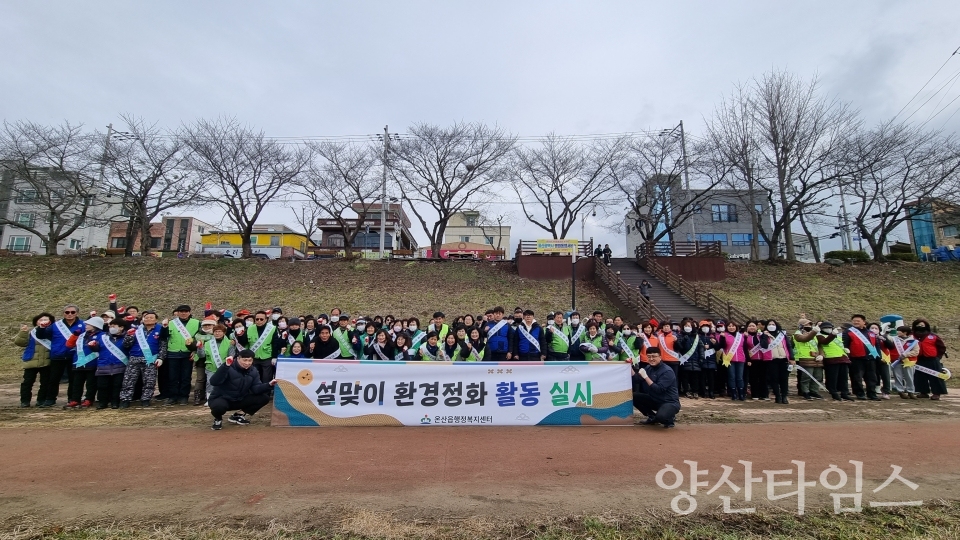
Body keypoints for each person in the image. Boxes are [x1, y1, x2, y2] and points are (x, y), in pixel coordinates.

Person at [208, 350, 275, 430]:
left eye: (250, 360)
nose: (247, 363)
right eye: (245, 360)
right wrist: (225, 366)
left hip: (239, 399)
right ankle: (218, 419)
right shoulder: (227, 367)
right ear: (238, 359)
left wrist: (269, 385)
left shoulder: (253, 371)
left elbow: (256, 389)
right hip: (222, 399)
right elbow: (214, 382)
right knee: (218, 407)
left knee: (264, 398)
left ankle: (238, 415)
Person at [120, 310, 164, 408]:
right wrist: (129, 336)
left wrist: (161, 357)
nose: (148, 319)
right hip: (134, 358)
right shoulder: (136, 329)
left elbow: (163, 345)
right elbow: (126, 345)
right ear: (143, 319)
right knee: (128, 380)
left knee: (149, 381)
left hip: (150, 359)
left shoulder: (160, 329)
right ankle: (125, 399)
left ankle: (146, 399)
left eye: (151, 317)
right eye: (146, 317)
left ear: (156, 319)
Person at [45, 304, 85, 407]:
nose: (70, 314)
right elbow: (43, 335)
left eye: (72, 312)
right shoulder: (55, 325)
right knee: (53, 379)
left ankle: (72, 398)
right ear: (63, 313)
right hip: (58, 355)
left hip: (74, 356)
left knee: (73, 379)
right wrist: (41, 327)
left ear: (77, 313)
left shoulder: (83, 325)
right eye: (67, 312)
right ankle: (50, 399)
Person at [160, 304, 200, 406]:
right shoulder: (171, 323)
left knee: (186, 376)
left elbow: (199, 338)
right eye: (181, 311)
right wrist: (164, 327)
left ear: (189, 312)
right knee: (173, 377)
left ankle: (184, 396)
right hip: (173, 352)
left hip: (188, 353)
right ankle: (173, 396)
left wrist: (194, 350)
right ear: (177, 313)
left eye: (186, 311)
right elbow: (163, 336)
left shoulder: (196, 323)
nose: (183, 313)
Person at [632, 348, 680, 428]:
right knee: (633, 396)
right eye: (649, 357)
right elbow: (637, 380)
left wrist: (646, 376)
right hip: (654, 399)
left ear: (660, 357)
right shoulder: (648, 368)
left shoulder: (667, 371)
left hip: (669, 402)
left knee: (661, 417)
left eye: (654, 356)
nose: (651, 359)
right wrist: (629, 366)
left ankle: (669, 418)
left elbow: (659, 389)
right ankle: (652, 416)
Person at [14, 312, 55, 408]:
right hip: (31, 361)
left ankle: (41, 400)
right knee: (27, 382)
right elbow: (20, 343)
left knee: (45, 382)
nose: (43, 321)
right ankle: (25, 401)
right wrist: (23, 332)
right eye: (41, 320)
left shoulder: (53, 332)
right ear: (36, 322)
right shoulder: (31, 333)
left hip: (47, 361)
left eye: (46, 320)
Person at [65, 316, 104, 409]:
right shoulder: (81, 335)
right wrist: (74, 335)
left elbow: (101, 348)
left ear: (95, 325)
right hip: (79, 363)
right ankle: (75, 399)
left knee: (91, 383)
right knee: (77, 383)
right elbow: (69, 345)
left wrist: (94, 346)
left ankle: (89, 399)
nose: (85, 325)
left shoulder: (102, 335)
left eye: (88, 324)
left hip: (92, 363)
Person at [843, 314, 882, 401]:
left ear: (864, 322)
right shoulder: (848, 332)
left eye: (858, 321)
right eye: (854, 321)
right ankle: (859, 393)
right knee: (857, 377)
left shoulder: (871, 333)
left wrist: (879, 356)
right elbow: (845, 345)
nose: (856, 322)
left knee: (872, 377)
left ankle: (871, 393)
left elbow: (877, 346)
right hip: (856, 358)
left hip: (871, 358)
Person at [94, 318, 130, 409]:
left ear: (121, 327)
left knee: (117, 385)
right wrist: (93, 346)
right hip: (104, 364)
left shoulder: (127, 337)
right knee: (102, 385)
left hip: (119, 365)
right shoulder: (103, 337)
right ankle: (103, 402)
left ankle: (115, 402)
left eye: (114, 326)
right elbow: (97, 349)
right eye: (110, 326)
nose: (111, 328)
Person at [911, 318, 948, 400]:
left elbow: (941, 347)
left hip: (932, 359)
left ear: (926, 326)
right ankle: (923, 392)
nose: (920, 326)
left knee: (935, 376)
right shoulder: (911, 336)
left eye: (922, 325)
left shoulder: (933, 336)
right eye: (918, 325)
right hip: (918, 359)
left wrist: (938, 357)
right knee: (919, 377)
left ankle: (936, 393)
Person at [817, 321, 854, 401]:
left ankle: (844, 393)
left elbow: (841, 345)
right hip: (831, 359)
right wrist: (832, 334)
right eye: (826, 328)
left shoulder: (838, 336)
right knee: (832, 378)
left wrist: (845, 350)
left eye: (830, 328)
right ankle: (834, 393)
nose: (828, 329)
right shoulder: (820, 336)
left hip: (842, 358)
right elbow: (825, 342)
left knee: (843, 378)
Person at [199, 323, 235, 399]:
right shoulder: (208, 343)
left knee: (226, 383)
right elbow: (201, 355)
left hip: (224, 367)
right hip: (210, 367)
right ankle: (209, 399)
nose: (217, 333)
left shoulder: (229, 343)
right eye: (215, 331)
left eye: (219, 331)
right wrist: (199, 348)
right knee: (210, 382)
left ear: (224, 332)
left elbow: (231, 354)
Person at [793, 318, 824, 400]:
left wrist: (821, 355)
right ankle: (805, 391)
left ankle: (814, 391)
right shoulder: (797, 333)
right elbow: (805, 339)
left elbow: (819, 345)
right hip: (805, 358)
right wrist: (814, 332)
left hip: (816, 358)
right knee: (807, 376)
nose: (809, 326)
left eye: (810, 325)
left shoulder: (814, 335)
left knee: (817, 376)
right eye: (806, 325)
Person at [764, 319, 793, 404]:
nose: (771, 326)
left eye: (773, 324)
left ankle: (784, 396)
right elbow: (764, 345)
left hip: (783, 359)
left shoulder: (782, 334)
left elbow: (788, 346)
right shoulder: (764, 335)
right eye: (769, 324)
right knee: (774, 379)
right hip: (772, 360)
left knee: (784, 379)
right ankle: (778, 396)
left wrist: (792, 357)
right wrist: (765, 336)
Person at [718, 321, 746, 401]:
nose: (731, 327)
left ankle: (741, 394)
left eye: (733, 326)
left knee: (740, 377)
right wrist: (722, 338)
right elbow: (722, 346)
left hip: (741, 359)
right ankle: (733, 394)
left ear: (736, 327)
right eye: (729, 326)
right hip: (729, 359)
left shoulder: (741, 336)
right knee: (732, 377)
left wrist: (748, 359)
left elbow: (745, 348)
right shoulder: (724, 335)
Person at [676, 318, 703, 399]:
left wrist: (701, 357)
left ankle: (695, 391)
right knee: (685, 377)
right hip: (685, 360)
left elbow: (701, 347)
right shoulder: (680, 336)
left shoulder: (696, 337)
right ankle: (686, 390)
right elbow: (679, 348)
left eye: (689, 326)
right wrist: (683, 341)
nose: (688, 327)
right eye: (686, 326)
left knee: (695, 377)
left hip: (695, 359)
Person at [743, 320, 770, 401]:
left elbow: (765, 345)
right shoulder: (744, 336)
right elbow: (744, 349)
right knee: (753, 378)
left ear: (756, 327)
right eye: (750, 326)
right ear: (747, 327)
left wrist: (763, 336)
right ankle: (755, 394)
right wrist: (748, 359)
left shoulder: (761, 335)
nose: (752, 327)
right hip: (752, 360)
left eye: (753, 326)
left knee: (763, 378)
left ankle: (764, 394)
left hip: (762, 359)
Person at [891, 325, 919, 399]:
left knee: (909, 377)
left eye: (899, 330)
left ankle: (911, 391)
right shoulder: (894, 339)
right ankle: (900, 391)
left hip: (909, 361)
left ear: (905, 332)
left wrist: (906, 354)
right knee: (897, 376)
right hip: (897, 361)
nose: (898, 332)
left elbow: (916, 351)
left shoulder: (913, 341)